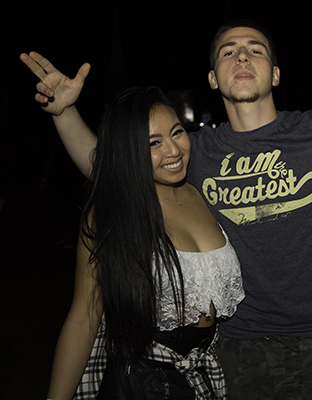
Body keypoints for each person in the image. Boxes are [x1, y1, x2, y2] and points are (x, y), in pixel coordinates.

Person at [21, 20, 312, 399]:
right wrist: (64, 112)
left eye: (255, 49)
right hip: (237, 350)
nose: (242, 55)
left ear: (274, 73)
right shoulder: (192, 151)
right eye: (228, 51)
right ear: (213, 78)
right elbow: (112, 166)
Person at [47, 87, 244, 400]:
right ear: (129, 151)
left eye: (177, 132)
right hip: (138, 382)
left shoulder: (200, 190)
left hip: (198, 375)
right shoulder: (115, 212)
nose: (173, 150)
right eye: (154, 143)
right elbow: (83, 319)